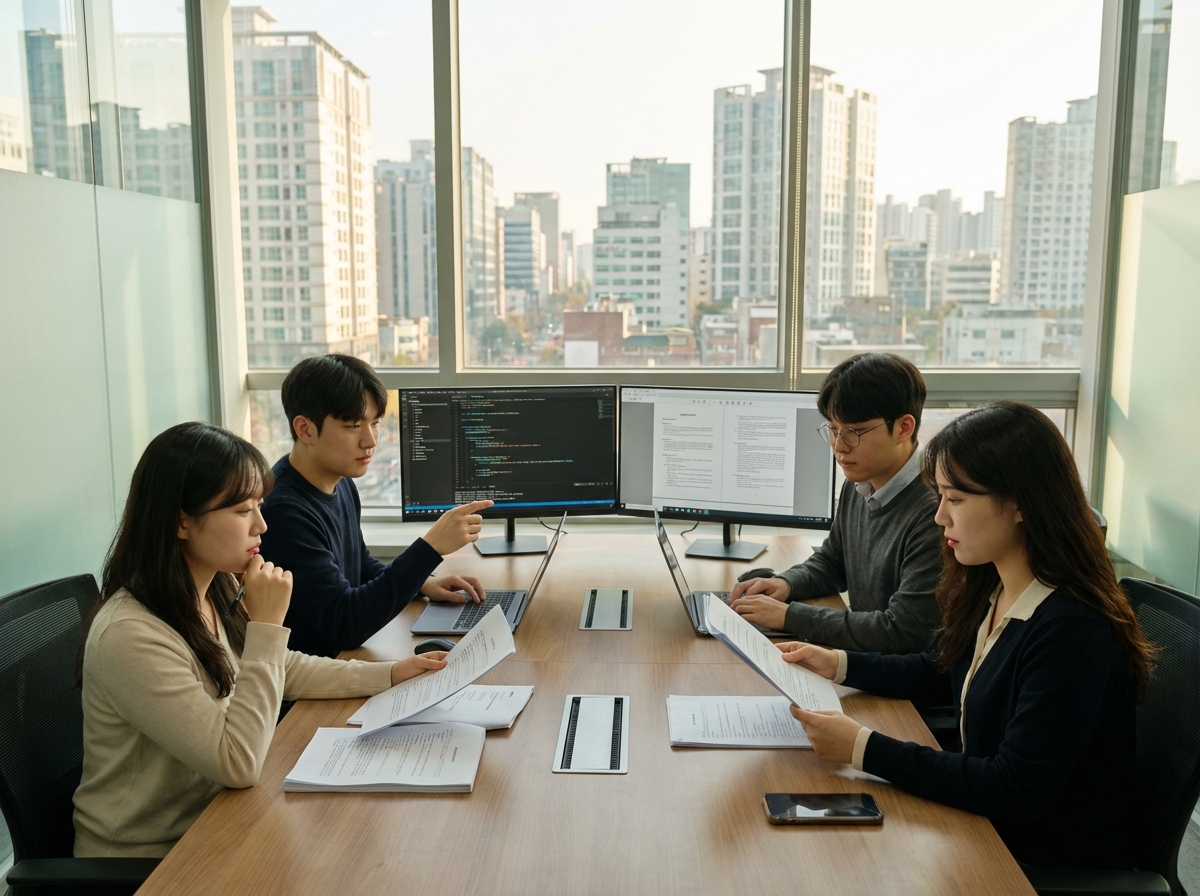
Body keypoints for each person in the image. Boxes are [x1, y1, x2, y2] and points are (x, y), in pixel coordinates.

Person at [782, 401, 1154, 869]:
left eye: (955, 500)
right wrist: (838, 663)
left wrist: (862, 747)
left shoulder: (1072, 631)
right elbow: (945, 669)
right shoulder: (995, 584)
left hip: (1032, 857)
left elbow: (1012, 789)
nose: (940, 518)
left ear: (1020, 503)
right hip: (983, 824)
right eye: (939, 498)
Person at [73, 422, 446, 858]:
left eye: (260, 505)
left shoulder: (214, 585)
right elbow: (237, 763)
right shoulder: (131, 634)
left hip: (222, 819)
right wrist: (268, 625)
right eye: (241, 511)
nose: (262, 525)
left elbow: (281, 667)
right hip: (155, 860)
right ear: (181, 522)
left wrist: (390, 674)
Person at [259, 354, 492, 657]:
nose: (370, 440)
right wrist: (429, 550)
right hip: (313, 690)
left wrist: (421, 583)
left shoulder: (340, 481)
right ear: (305, 429)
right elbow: (345, 625)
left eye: (375, 423)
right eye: (353, 425)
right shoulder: (282, 513)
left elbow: (359, 566)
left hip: (347, 667)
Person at [729, 352, 942, 653]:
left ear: (904, 428)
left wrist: (790, 616)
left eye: (854, 432)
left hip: (906, 691)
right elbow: (834, 561)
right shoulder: (861, 482)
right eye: (833, 429)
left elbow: (902, 631)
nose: (840, 447)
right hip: (867, 665)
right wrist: (787, 584)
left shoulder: (938, 512)